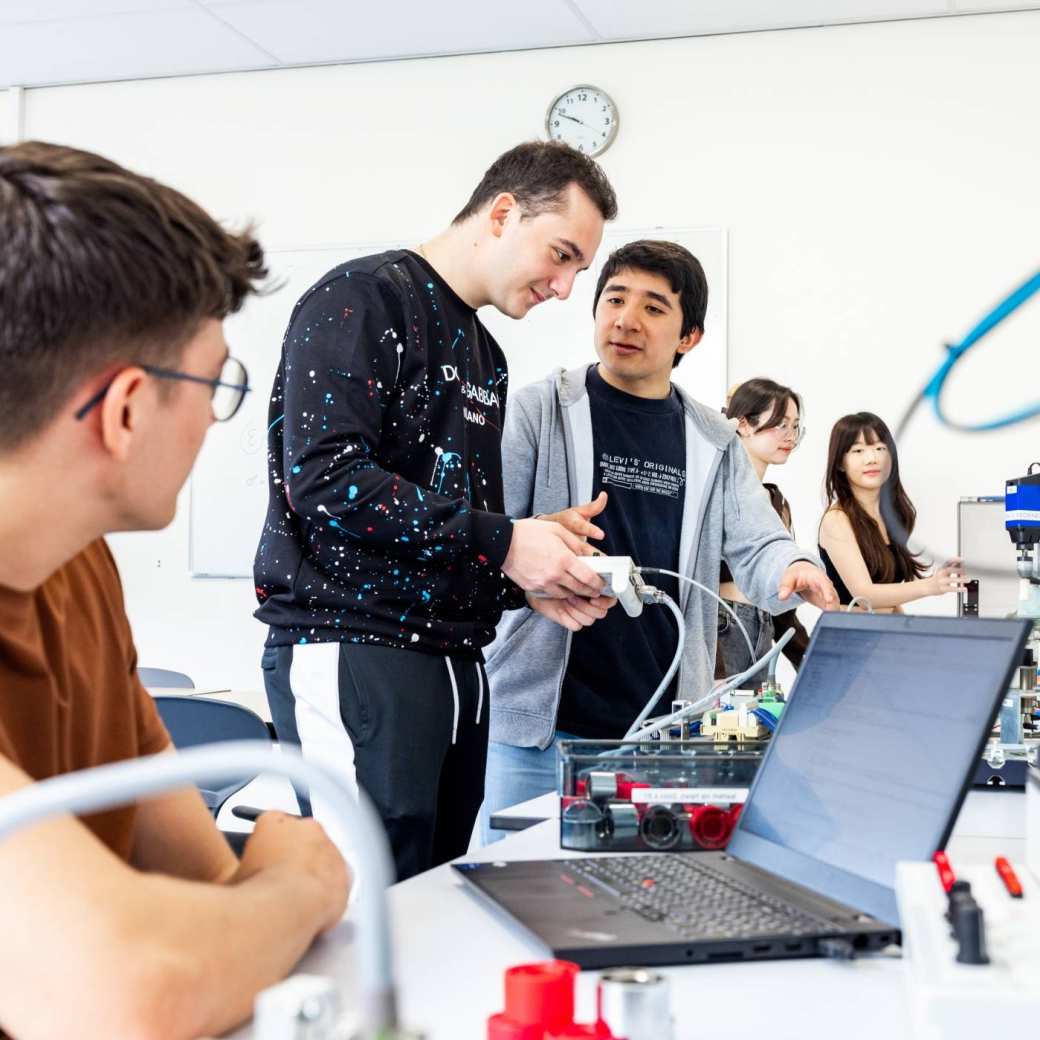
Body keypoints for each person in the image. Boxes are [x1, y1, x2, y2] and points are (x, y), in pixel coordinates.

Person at [0, 141, 350, 1040]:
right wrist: (301, 885)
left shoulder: (75, 567)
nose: (210, 416)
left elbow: (201, 882)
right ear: (124, 411)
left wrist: (258, 900)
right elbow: (126, 991)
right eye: (213, 381)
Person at [253, 141, 619, 881]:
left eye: (579, 269)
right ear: (504, 213)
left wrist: (529, 573)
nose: (565, 287)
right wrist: (506, 540)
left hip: (454, 662)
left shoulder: (487, 354)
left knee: (433, 902)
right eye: (562, 255)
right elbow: (325, 477)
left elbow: (450, 524)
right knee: (367, 910)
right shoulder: (360, 299)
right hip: (356, 647)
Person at [479, 240, 837, 843]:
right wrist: (532, 548)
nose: (625, 319)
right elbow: (485, 536)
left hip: (659, 733)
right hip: (537, 729)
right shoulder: (540, 411)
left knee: (639, 898)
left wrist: (793, 566)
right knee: (517, 898)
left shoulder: (713, 439)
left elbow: (757, 542)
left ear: (688, 336)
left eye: (653, 307)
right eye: (614, 299)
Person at [818, 411, 966, 611]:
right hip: (848, 638)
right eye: (858, 451)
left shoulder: (893, 515)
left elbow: (889, 601)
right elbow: (865, 596)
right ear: (840, 463)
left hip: (880, 636)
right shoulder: (837, 519)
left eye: (880, 448)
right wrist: (930, 585)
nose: (872, 458)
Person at [717, 378, 812, 684]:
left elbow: (781, 603)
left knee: (758, 725)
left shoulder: (775, 501)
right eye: (780, 424)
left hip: (762, 624)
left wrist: (806, 660)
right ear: (743, 424)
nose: (790, 436)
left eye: (795, 426)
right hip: (721, 626)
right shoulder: (715, 490)